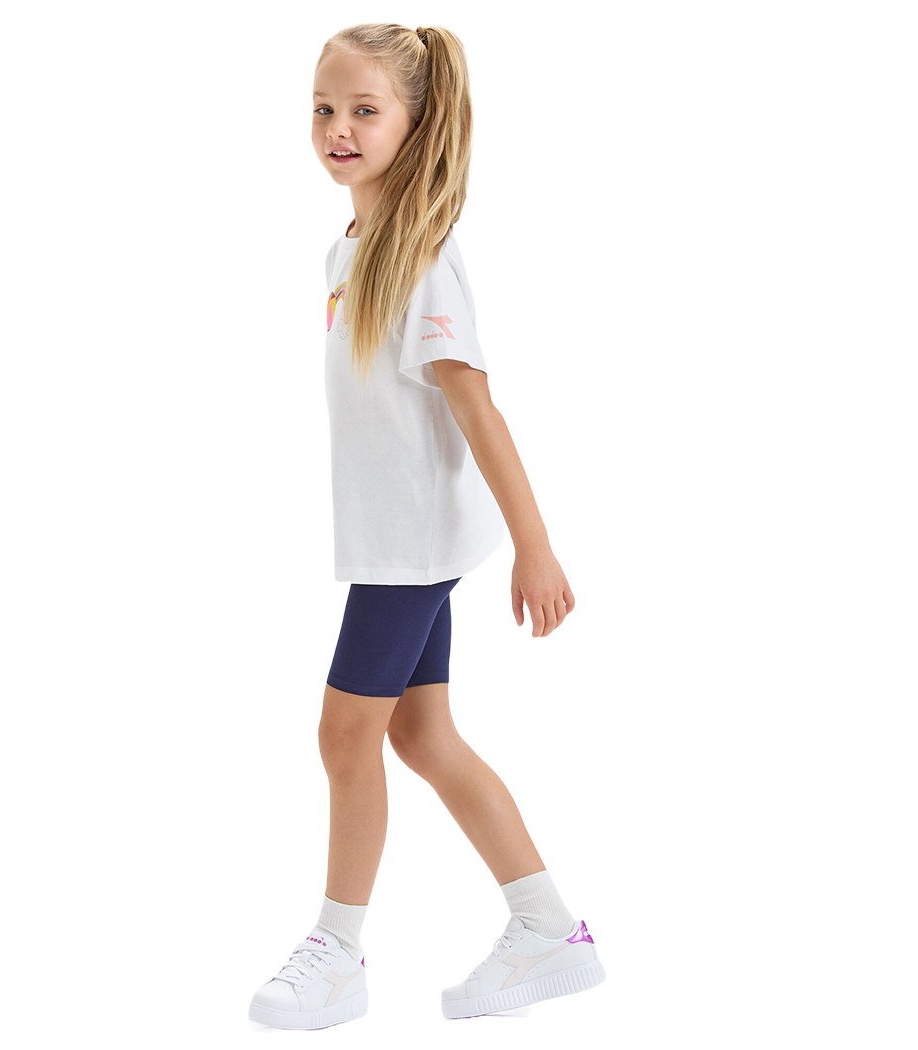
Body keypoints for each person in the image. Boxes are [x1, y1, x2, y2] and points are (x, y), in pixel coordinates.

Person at [248, 23, 605, 1030]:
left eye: (365, 110)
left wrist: (536, 547)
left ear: (416, 122)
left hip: (409, 550)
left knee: (344, 733)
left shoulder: (422, 262)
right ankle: (549, 927)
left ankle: (337, 953)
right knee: (421, 732)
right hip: (395, 539)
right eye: (325, 108)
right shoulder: (350, 249)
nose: (338, 127)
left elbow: (476, 406)